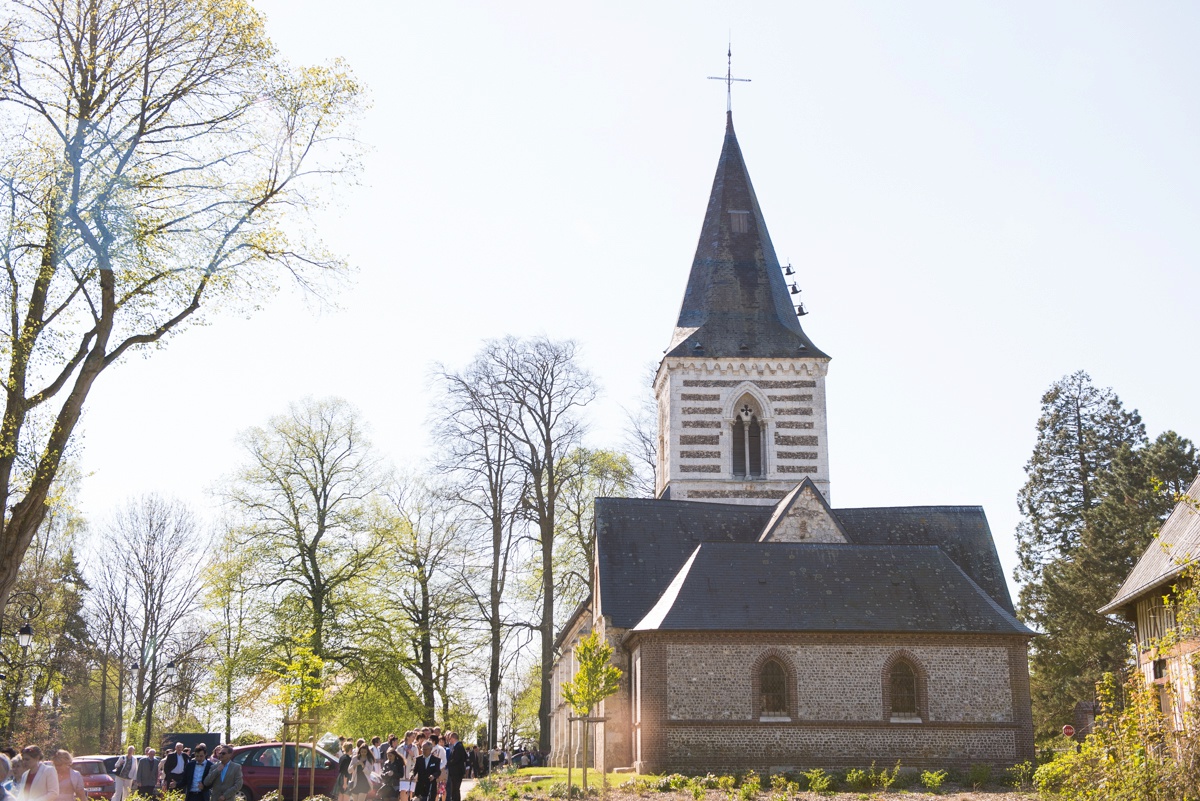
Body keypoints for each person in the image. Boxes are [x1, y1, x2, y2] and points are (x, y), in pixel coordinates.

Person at [444, 733, 466, 801]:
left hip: (457, 771)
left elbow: (456, 759)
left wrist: (448, 763)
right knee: (454, 789)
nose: (449, 740)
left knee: (455, 789)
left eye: (450, 738)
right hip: (455, 771)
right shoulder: (457, 746)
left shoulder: (458, 746)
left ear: (453, 738)